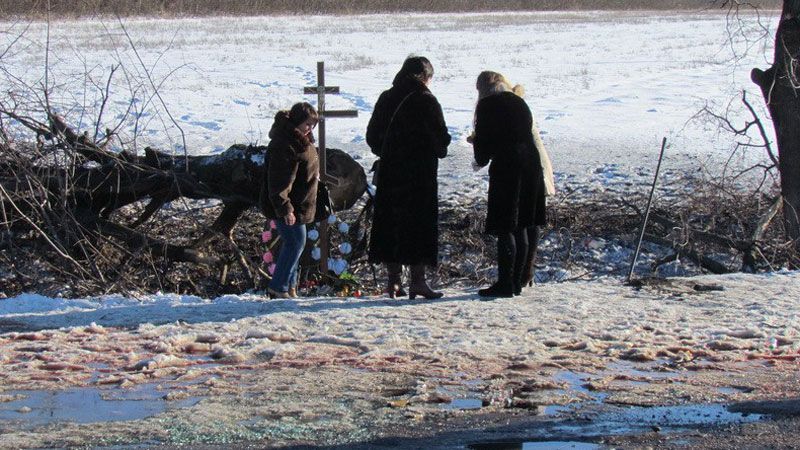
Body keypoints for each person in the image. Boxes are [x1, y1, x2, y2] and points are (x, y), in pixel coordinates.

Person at [366, 56, 451, 299]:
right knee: (418, 225)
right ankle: (418, 281)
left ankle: (393, 282)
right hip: (419, 175)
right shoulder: (427, 100)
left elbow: (372, 137)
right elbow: (440, 142)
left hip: (391, 173)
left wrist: (389, 152)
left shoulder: (387, 97)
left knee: (391, 224)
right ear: (425, 77)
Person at [471, 71, 547, 298]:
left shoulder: (486, 107)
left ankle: (505, 283)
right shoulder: (518, 102)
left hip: (508, 169)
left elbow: (483, 153)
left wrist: (476, 143)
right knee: (523, 223)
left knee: (506, 227)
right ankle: (517, 282)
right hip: (531, 165)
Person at [260, 102, 320, 299]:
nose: (309, 128)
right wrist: (285, 207)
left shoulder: (300, 141)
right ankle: (278, 286)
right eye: (307, 124)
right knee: (295, 242)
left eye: (312, 125)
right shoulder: (286, 144)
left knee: (295, 244)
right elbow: (279, 180)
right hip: (288, 205)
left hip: (299, 204)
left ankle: (290, 287)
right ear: (297, 121)